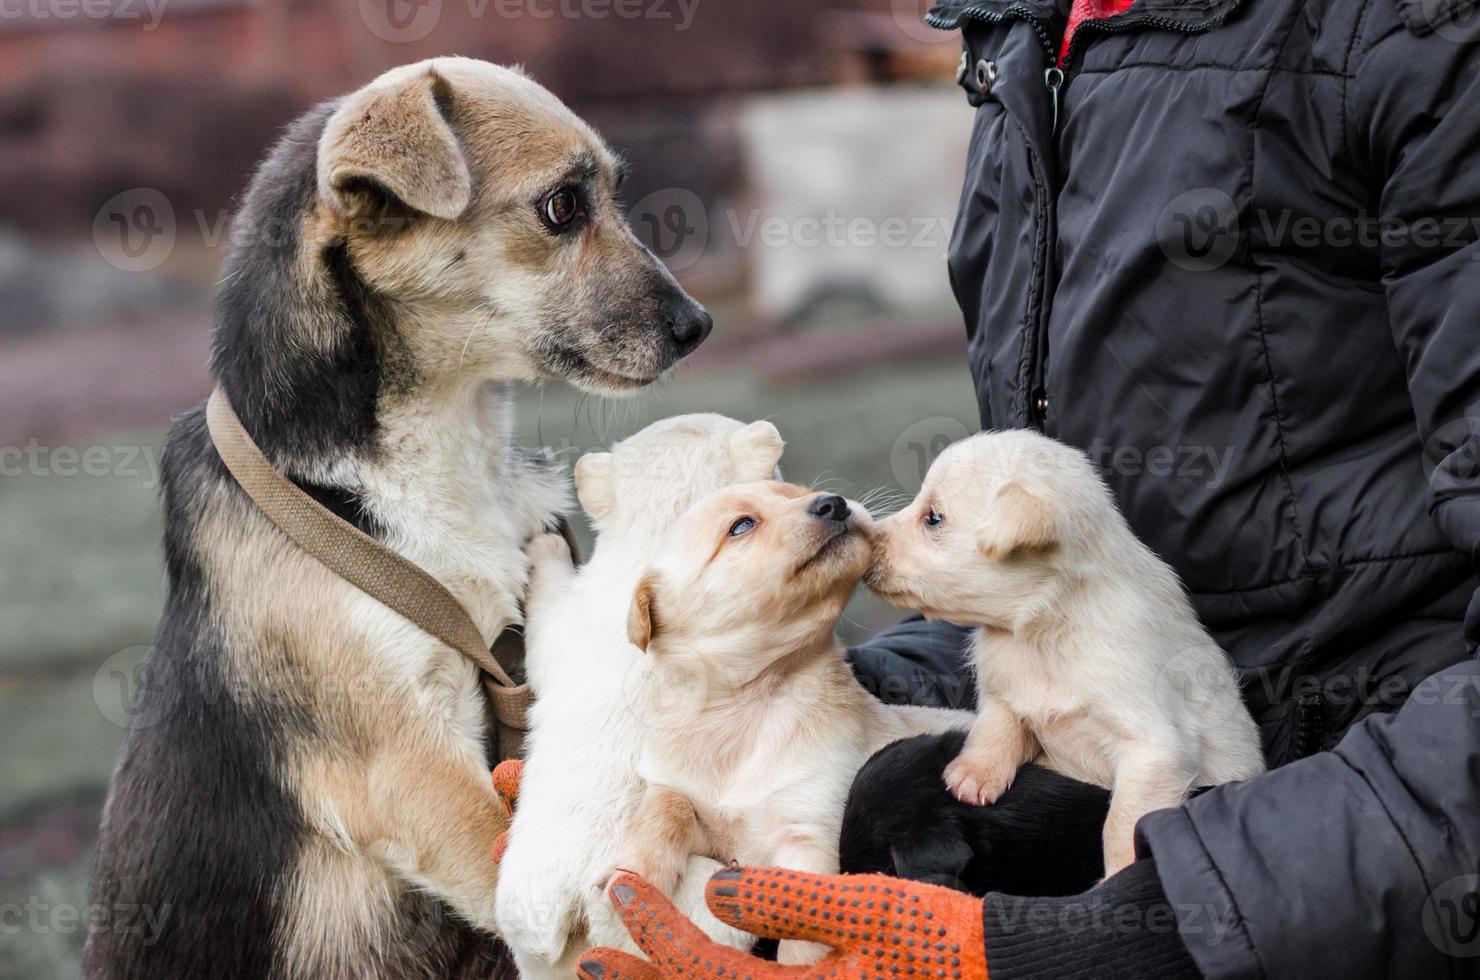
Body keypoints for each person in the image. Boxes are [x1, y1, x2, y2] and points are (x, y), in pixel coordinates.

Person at [571, 0, 1480, 975]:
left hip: (1328, 845)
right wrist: (802, 719)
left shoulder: (1411, 36)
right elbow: (1047, 582)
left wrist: (1139, 935)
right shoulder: (1029, 33)